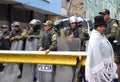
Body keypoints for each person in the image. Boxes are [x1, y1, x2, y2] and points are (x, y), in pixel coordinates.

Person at [85, 15, 118, 82]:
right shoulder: (95, 38)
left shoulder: (101, 36)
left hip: (106, 67)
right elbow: (96, 54)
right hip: (100, 69)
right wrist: (101, 68)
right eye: (100, 27)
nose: (103, 28)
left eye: (104, 26)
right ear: (96, 27)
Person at [99, 9, 120, 81]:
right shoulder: (103, 23)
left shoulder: (112, 22)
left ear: (108, 15)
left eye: (104, 15)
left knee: (115, 64)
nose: (102, 16)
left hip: (113, 47)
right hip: (105, 48)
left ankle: (117, 78)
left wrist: (102, 37)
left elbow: (113, 34)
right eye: (101, 15)